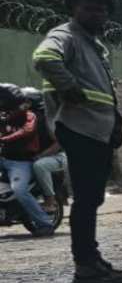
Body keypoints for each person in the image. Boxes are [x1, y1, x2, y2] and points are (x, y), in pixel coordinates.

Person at [33, 0, 122, 283]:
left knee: (93, 198)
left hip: (97, 129)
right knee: (87, 199)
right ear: (73, 8)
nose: (97, 15)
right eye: (89, 9)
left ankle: (92, 259)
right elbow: (44, 58)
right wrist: (69, 88)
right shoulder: (66, 35)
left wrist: (114, 122)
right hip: (80, 128)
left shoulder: (93, 44)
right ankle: (85, 266)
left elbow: (102, 91)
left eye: (102, 10)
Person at [0, 85, 55, 236]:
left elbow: (27, 131)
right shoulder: (5, 115)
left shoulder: (30, 116)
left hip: (20, 162)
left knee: (19, 190)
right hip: (4, 158)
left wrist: (4, 139)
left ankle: (45, 223)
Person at [23, 87, 67, 215]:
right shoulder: (24, 119)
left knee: (40, 165)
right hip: (37, 156)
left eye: (25, 101)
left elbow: (59, 143)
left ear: (32, 103)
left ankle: (50, 201)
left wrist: (41, 155)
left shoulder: (47, 120)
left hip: (59, 156)